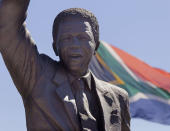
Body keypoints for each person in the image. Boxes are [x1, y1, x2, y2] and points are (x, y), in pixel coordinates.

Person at [0, 0, 131, 130]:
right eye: (66, 38)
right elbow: (8, 26)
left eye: (83, 37)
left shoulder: (118, 97)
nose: (74, 44)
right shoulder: (37, 77)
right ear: (55, 47)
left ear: (95, 46)